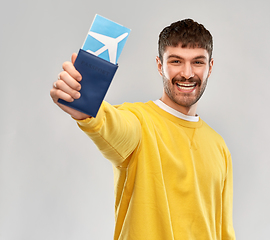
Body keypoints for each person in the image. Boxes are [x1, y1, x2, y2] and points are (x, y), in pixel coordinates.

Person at [50, 18, 235, 240]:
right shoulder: (138, 121)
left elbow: (224, 231)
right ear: (160, 65)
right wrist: (83, 104)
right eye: (176, 61)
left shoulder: (219, 146)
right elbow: (110, 125)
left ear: (210, 67)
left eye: (197, 62)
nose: (187, 73)